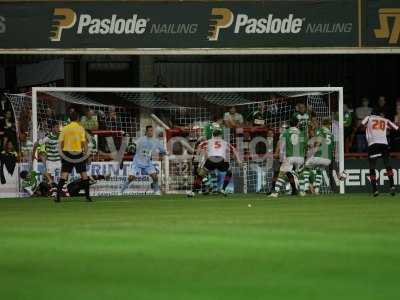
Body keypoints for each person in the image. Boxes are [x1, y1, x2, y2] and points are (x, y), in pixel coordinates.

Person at [56, 111, 91, 202]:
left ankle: (58, 197)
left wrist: (61, 154)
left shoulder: (65, 128)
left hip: (67, 153)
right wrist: (87, 156)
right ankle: (87, 197)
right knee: (84, 175)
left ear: (70, 119)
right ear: (78, 119)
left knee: (64, 175)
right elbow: (84, 144)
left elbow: (60, 143)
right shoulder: (80, 129)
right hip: (78, 153)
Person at [195, 127, 242, 196]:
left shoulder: (208, 141)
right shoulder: (224, 142)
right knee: (229, 172)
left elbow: (199, 146)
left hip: (210, 160)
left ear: (213, 135)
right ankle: (223, 189)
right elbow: (234, 150)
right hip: (221, 160)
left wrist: (197, 156)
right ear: (220, 135)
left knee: (201, 174)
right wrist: (238, 160)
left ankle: (193, 191)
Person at [361, 111, 398, 196]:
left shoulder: (369, 117)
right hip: (384, 144)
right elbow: (396, 128)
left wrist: (368, 127)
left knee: (372, 166)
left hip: (373, 144)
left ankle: (375, 190)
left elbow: (361, 126)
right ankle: (392, 186)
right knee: (387, 164)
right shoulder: (385, 119)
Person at [122, 125, 166, 195]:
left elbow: (163, 150)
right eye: (150, 131)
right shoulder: (141, 139)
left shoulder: (155, 141)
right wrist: (131, 147)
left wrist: (164, 153)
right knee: (131, 178)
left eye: (152, 131)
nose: (151, 132)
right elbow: (133, 145)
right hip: (137, 162)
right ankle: (121, 190)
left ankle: (156, 190)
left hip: (147, 163)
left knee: (155, 176)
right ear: (146, 132)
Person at [269, 119, 306, 198]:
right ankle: (302, 191)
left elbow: (282, 145)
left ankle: (275, 192)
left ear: (290, 124)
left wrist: (280, 155)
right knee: (300, 173)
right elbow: (304, 145)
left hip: (290, 156)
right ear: (297, 124)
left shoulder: (286, 132)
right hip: (300, 156)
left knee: (282, 173)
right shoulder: (301, 133)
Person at [299, 118, 334, 196]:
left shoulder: (321, 131)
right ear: (329, 124)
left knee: (304, 168)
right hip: (328, 159)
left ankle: (305, 188)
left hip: (320, 156)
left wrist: (313, 151)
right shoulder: (331, 134)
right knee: (319, 170)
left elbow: (318, 142)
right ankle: (317, 190)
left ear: (323, 123)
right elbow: (332, 148)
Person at [32, 123, 61, 196]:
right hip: (50, 161)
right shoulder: (48, 137)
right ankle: (52, 192)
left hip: (59, 160)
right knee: (49, 177)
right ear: (53, 128)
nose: (58, 129)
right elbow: (36, 144)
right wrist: (33, 154)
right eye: (57, 127)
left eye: (59, 127)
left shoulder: (61, 136)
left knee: (64, 175)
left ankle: (60, 191)